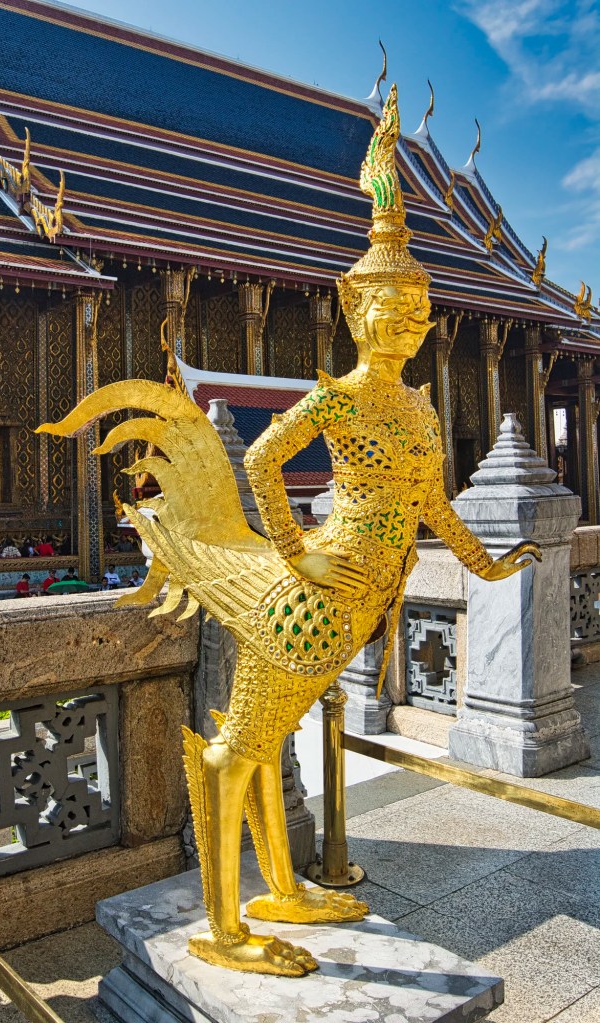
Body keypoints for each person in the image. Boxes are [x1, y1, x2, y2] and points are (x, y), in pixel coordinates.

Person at [38, 87, 540, 977]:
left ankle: (282, 884)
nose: (408, 325)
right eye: (390, 312)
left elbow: (433, 504)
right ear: (355, 312)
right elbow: (264, 460)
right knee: (240, 749)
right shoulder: (337, 397)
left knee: (273, 742)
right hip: (311, 600)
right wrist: (294, 548)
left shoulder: (421, 413)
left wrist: (487, 563)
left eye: (419, 313)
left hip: (362, 604)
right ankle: (224, 927)